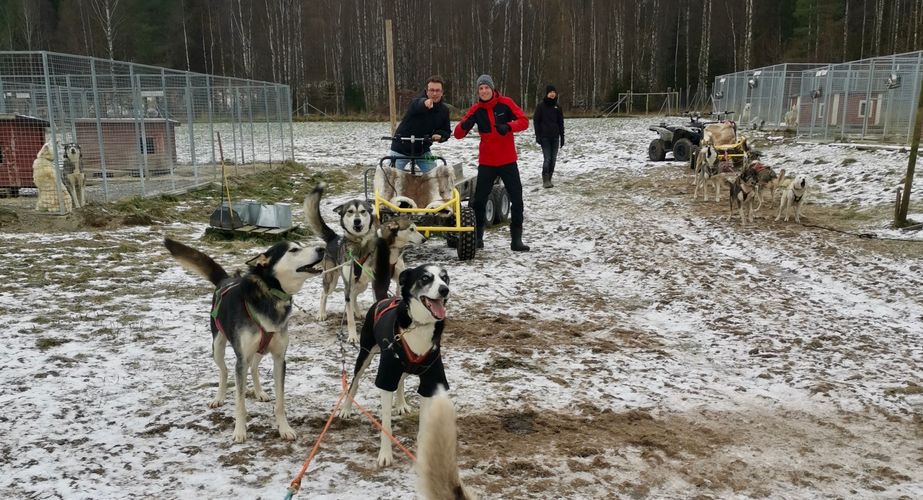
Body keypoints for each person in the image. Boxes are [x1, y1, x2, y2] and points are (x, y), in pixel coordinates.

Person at [453, 74, 530, 252]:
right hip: (487, 162)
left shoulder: (506, 103)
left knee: (517, 199)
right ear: (478, 91)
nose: (484, 91)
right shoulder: (475, 109)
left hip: (508, 160)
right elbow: (457, 134)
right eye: (481, 88)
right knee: (479, 201)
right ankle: (478, 237)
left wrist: (509, 126)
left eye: (486, 87)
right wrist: (465, 125)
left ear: (492, 89)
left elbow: (524, 122)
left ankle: (516, 240)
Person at [388, 75, 451, 173]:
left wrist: (440, 135)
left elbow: (446, 131)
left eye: (437, 90)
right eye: (431, 90)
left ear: (442, 92)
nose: (434, 93)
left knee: (435, 176)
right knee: (387, 176)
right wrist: (425, 103)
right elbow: (417, 104)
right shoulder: (416, 102)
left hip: (423, 150)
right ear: (426, 91)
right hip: (400, 148)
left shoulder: (444, 110)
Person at [533, 84, 565, 188]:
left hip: (555, 137)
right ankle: (545, 179)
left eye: (554, 92)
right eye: (550, 92)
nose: (552, 94)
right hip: (545, 137)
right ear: (547, 93)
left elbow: (561, 123)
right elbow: (536, 121)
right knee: (547, 158)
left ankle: (550, 178)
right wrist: (538, 135)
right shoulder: (541, 106)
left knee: (553, 159)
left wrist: (562, 137)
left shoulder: (558, 107)